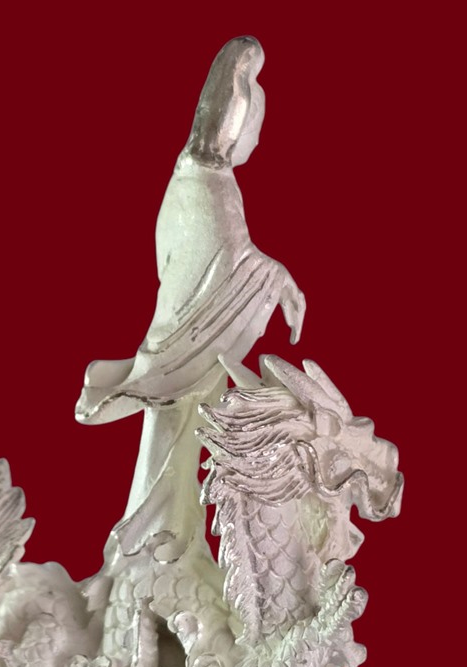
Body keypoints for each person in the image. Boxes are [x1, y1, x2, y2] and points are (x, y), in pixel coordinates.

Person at [76, 36, 305, 563]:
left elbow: (229, 260)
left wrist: (275, 278)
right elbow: (228, 262)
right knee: (177, 429)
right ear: (237, 126)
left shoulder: (198, 178)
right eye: (254, 132)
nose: (254, 144)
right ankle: (155, 546)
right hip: (188, 347)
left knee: (189, 429)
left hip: (193, 346)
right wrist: (279, 281)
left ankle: (167, 542)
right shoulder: (205, 188)